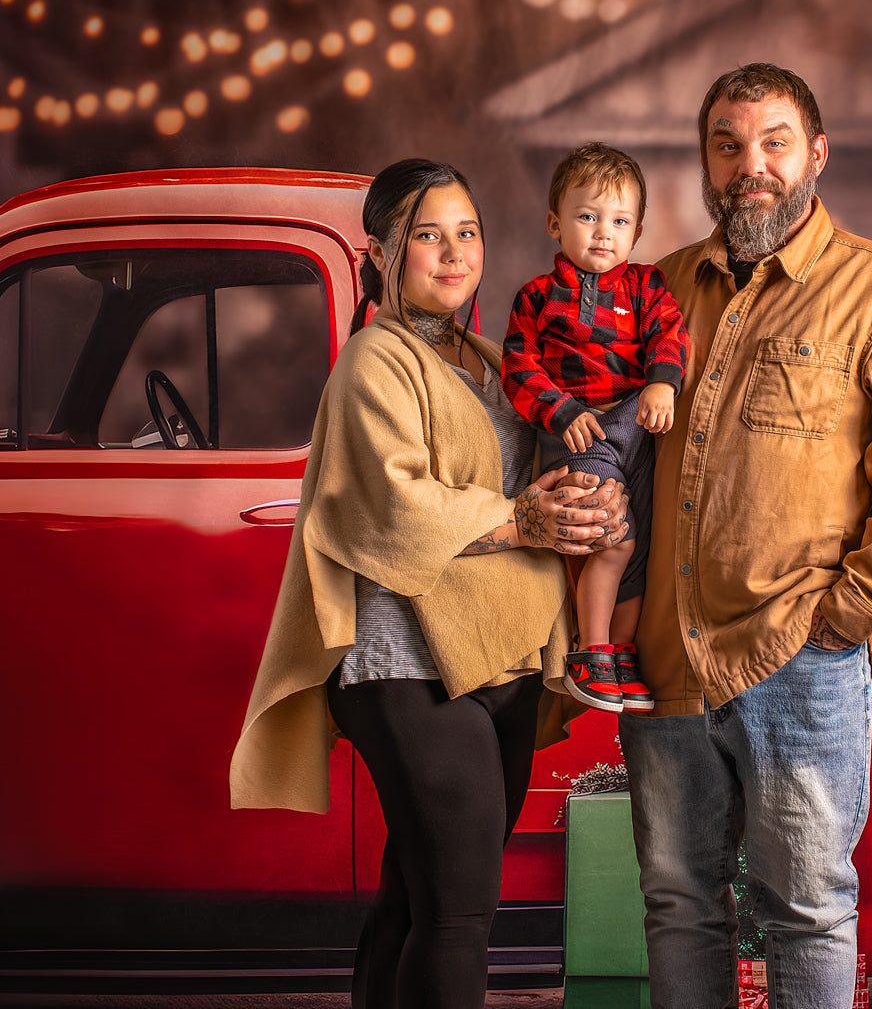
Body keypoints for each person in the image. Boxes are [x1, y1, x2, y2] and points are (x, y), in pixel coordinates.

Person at [229, 158, 628, 1009]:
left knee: (417, 894)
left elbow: (561, 463)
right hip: (406, 664)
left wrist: (598, 506)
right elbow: (392, 505)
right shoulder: (375, 359)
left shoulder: (491, 359)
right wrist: (523, 520)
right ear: (381, 252)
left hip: (500, 657)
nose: (453, 253)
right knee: (460, 911)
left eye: (468, 232)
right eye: (427, 236)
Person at [620, 63, 872, 1008]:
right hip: (663, 663)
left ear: (816, 153)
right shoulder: (655, 293)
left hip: (799, 657)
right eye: (727, 145)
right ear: (704, 160)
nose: (750, 166)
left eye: (773, 142)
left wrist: (845, 616)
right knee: (678, 901)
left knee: (808, 905)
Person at [502, 142, 690, 714]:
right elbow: (518, 367)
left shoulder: (647, 286)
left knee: (641, 551)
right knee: (611, 536)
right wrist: (560, 410)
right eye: (587, 217)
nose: (603, 232)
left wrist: (662, 382)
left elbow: (670, 333)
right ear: (556, 224)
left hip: (636, 428)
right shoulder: (536, 297)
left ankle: (623, 655)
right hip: (577, 433)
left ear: (636, 232)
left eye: (619, 221)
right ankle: (592, 650)